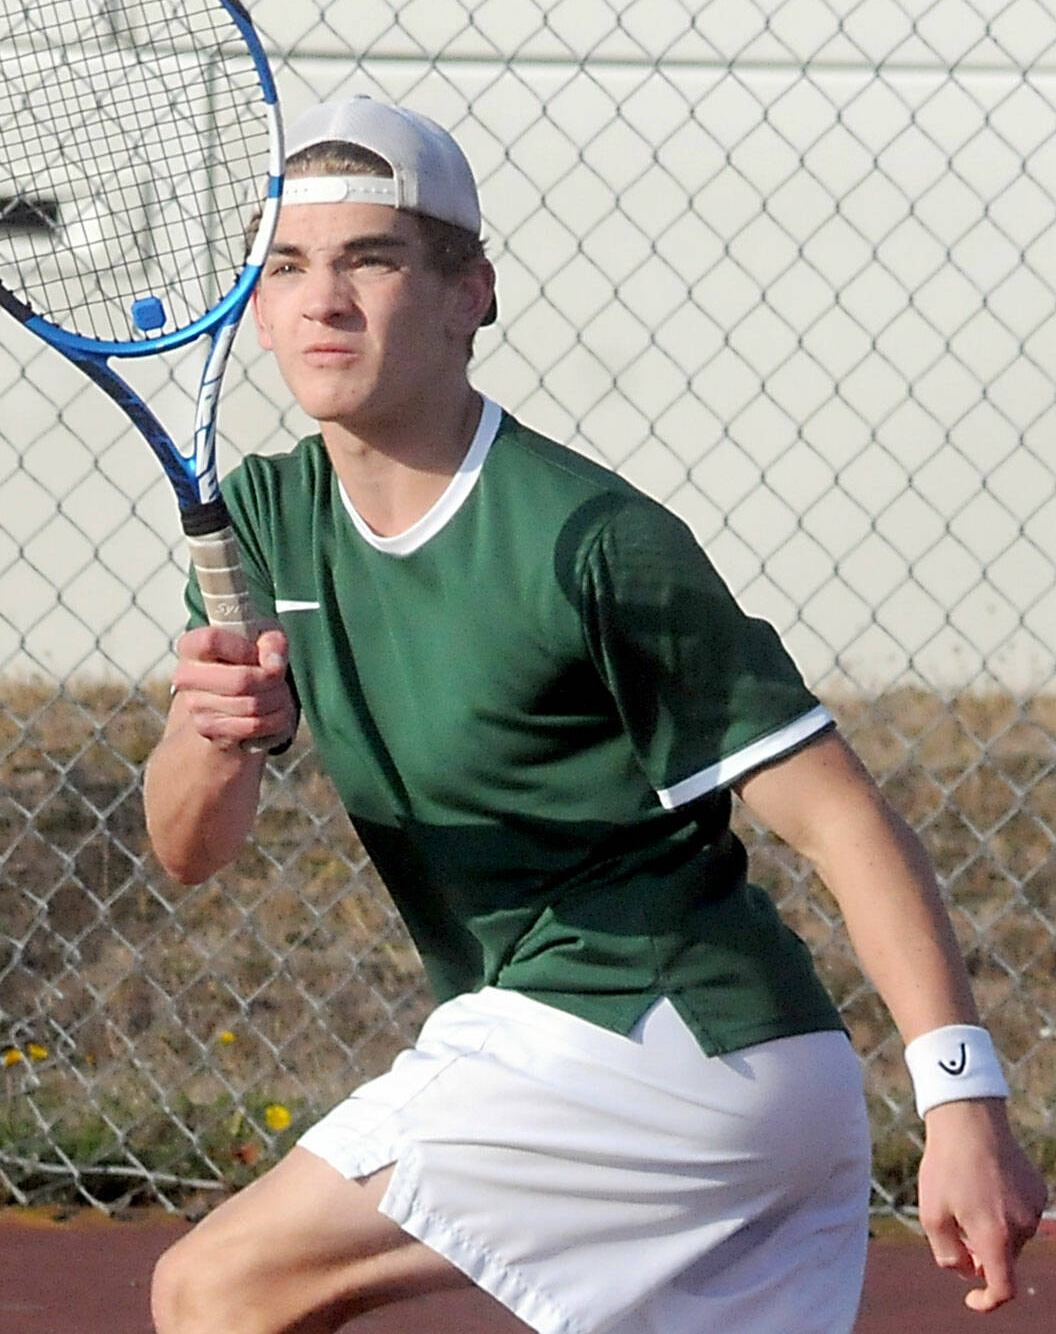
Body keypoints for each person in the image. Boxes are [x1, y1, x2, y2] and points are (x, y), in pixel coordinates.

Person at [143, 97, 1046, 1334]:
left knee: (218, 1287)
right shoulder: (257, 519)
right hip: (681, 1065)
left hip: (654, 1032)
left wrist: (959, 1105)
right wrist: (211, 730)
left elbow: (838, 816)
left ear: (472, 293)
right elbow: (190, 850)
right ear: (252, 305)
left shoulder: (592, 543)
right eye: (288, 267)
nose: (324, 302)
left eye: (374, 259)